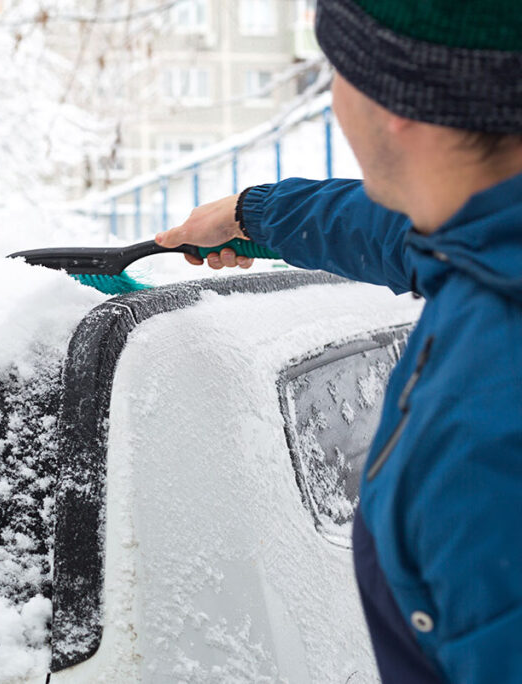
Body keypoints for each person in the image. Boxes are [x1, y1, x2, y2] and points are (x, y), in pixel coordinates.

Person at [154, 1, 522, 682]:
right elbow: (404, 236)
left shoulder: (482, 442)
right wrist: (250, 215)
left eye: (339, 71)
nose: (331, 97)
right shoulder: (489, 240)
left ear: (401, 102)